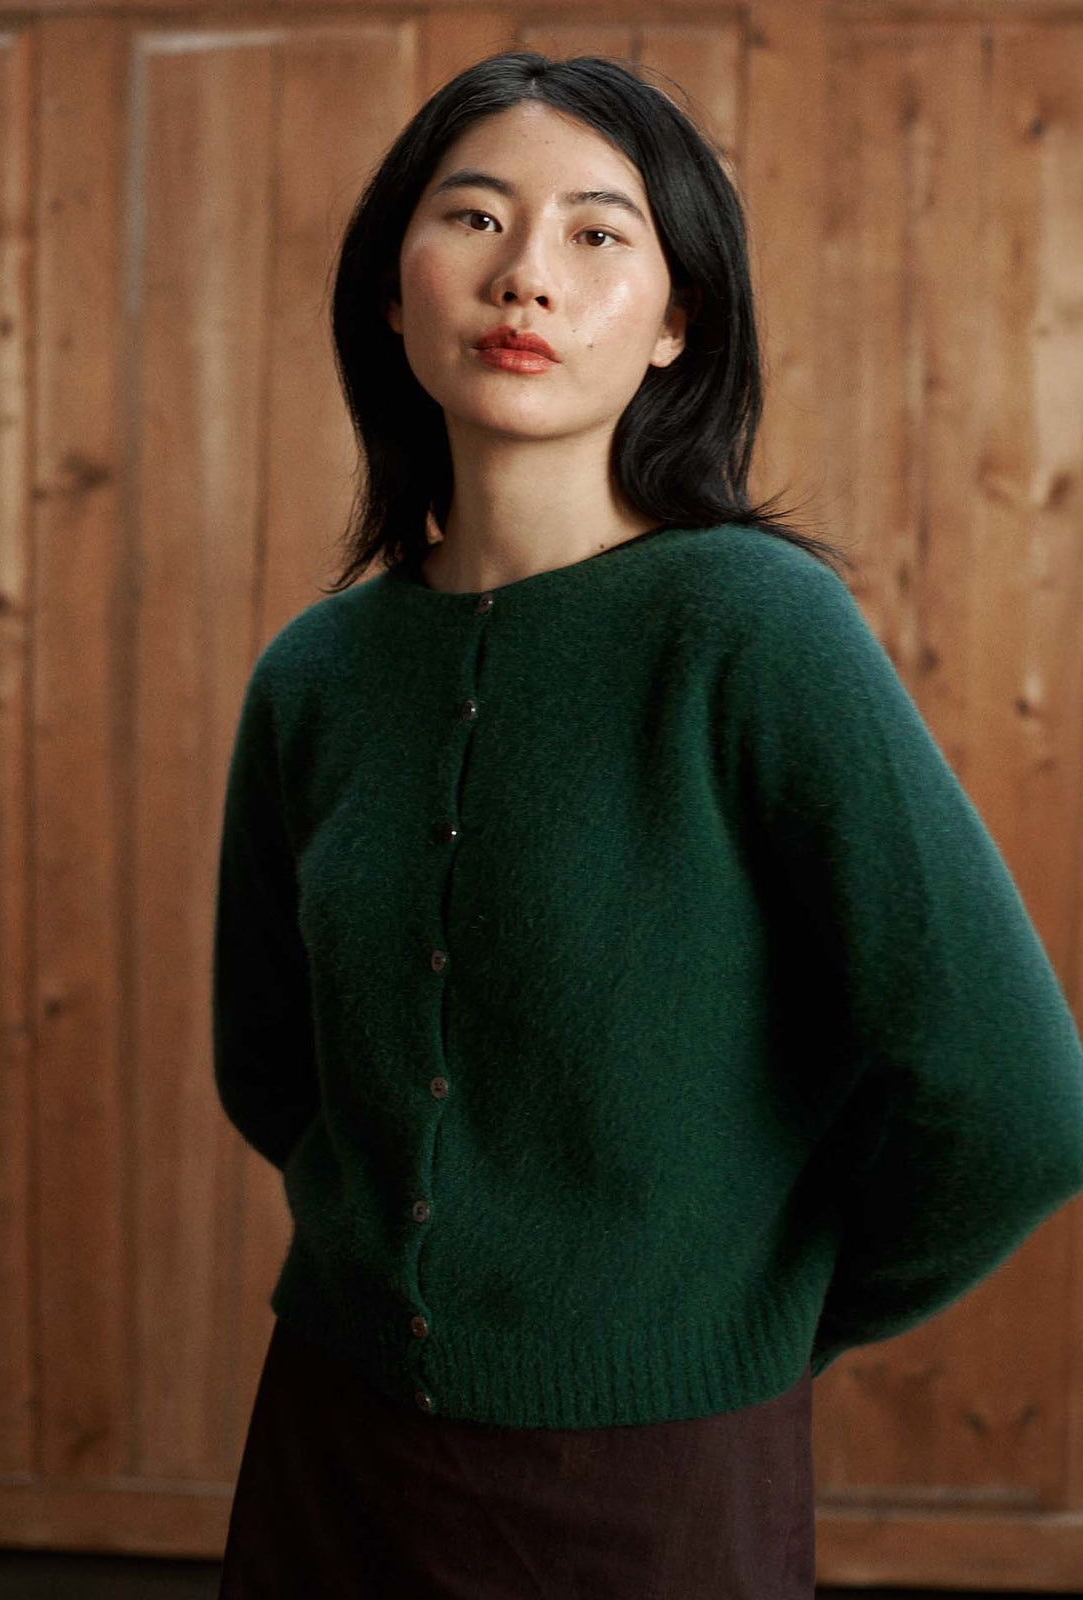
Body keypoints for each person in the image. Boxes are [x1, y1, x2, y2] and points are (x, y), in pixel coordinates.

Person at [211, 49, 1083, 1599]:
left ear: (678, 322)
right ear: (390, 291)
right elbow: (273, 1066)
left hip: (653, 1480)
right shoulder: (317, 676)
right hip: (328, 1450)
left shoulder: (754, 632)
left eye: (599, 234)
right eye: (473, 219)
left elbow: (1016, 1102)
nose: (525, 277)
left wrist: (744, 1309)